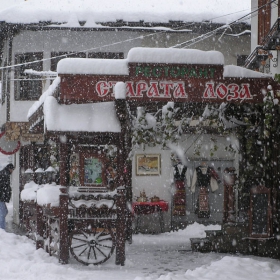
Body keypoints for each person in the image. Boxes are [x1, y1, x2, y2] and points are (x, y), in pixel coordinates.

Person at [0, 163, 15, 230]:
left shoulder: (4, 173)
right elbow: (4, 187)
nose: (12, 171)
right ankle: (2, 229)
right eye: (12, 170)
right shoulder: (5, 174)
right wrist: (4, 196)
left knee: (4, 211)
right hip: (1, 197)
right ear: (10, 169)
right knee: (3, 213)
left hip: (1, 197)